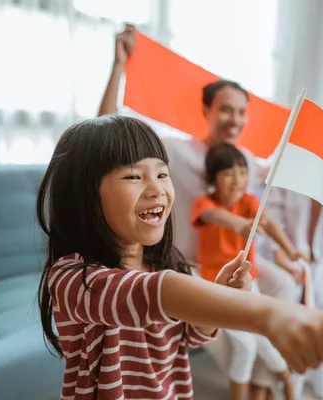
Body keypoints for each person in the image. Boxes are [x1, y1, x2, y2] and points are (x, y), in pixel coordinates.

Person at [36, 115, 323, 399]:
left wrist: (222, 294)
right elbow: (153, 294)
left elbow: (189, 337)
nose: (157, 187)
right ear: (83, 197)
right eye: (133, 176)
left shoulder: (163, 263)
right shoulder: (74, 278)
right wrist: (270, 314)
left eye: (162, 173)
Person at [98, 24, 303, 396]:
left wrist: (285, 255)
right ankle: (259, 378)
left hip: (234, 259)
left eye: (242, 112)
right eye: (226, 109)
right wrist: (118, 65)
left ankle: (260, 383)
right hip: (190, 263)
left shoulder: (245, 161)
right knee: (241, 335)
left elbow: (258, 215)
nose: (235, 120)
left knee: (286, 284)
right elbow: (104, 131)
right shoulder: (175, 152)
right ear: (207, 110)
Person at [191, 144, 310, 399]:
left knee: (259, 336)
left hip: (247, 283)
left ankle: (286, 382)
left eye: (243, 173)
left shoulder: (250, 201)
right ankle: (280, 383)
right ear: (212, 179)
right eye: (228, 173)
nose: (237, 180)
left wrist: (290, 250)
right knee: (246, 345)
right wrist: (238, 223)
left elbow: (269, 224)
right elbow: (212, 216)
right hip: (217, 287)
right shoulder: (204, 203)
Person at [260, 187, 323, 399]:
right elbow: (271, 215)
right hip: (282, 250)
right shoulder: (290, 170)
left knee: (322, 296)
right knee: (287, 291)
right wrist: (283, 253)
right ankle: (277, 371)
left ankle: (315, 367)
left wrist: (312, 270)